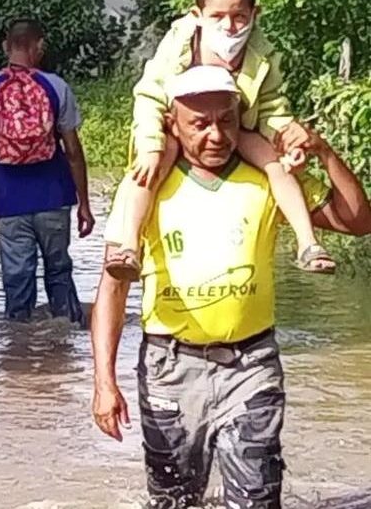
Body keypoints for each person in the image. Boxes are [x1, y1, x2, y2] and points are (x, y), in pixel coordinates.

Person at [91, 66, 371, 509]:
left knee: (257, 498)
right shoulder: (145, 185)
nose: (216, 135)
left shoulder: (270, 177)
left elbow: (358, 221)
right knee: (174, 501)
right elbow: (112, 290)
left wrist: (323, 151)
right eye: (199, 125)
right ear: (173, 125)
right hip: (170, 368)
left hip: (252, 365)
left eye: (225, 120)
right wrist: (104, 381)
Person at [106, 0, 332, 278]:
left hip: (237, 128)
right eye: (217, 17)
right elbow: (149, 97)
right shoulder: (178, 44)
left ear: (255, 14)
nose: (229, 26)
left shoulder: (263, 53)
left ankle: (308, 244)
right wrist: (150, 145)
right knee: (151, 166)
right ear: (198, 15)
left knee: (277, 167)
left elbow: (270, 107)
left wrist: (285, 139)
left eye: (239, 16)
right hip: (181, 130)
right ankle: (129, 245)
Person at [0, 20, 94, 322]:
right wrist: (83, 203)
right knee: (58, 269)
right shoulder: (56, 86)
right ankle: (67, 338)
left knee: (17, 275)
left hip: (9, 198)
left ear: (6, 46)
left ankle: (18, 346)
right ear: (40, 46)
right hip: (54, 196)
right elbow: (73, 150)